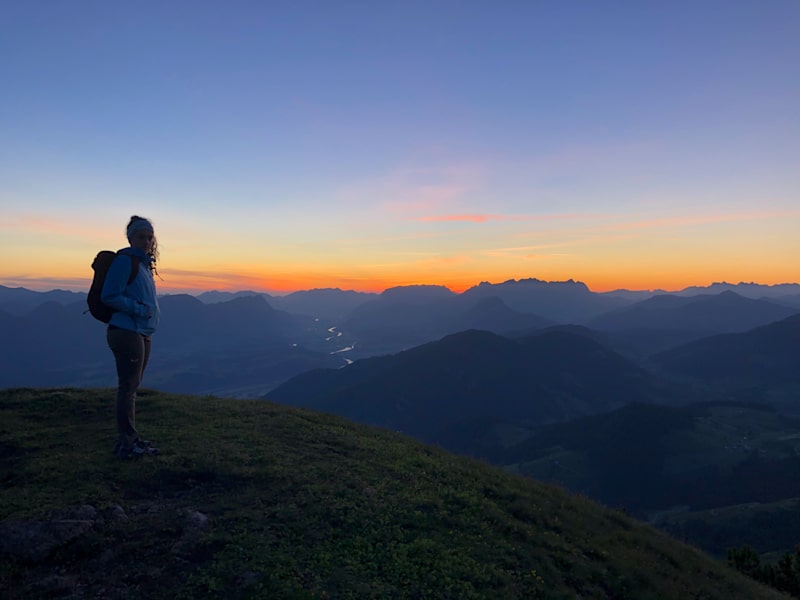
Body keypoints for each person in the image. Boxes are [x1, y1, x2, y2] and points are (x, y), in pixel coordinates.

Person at [102, 215, 161, 458]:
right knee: (128, 387)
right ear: (130, 238)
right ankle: (128, 442)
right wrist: (139, 309)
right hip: (126, 331)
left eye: (149, 237)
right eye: (141, 236)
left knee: (132, 386)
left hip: (141, 332)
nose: (147, 241)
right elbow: (109, 295)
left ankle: (132, 439)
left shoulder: (144, 265)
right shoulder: (125, 261)